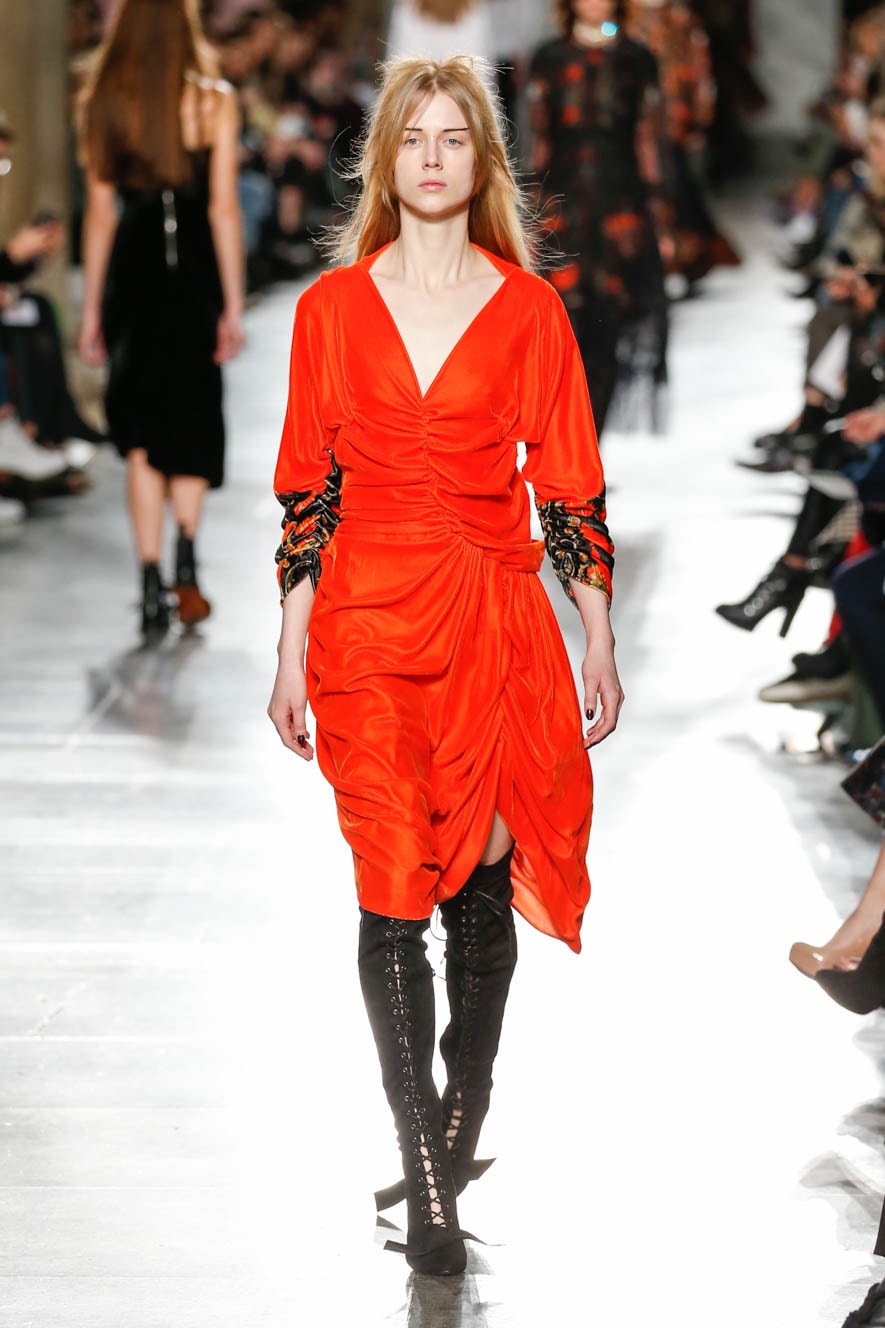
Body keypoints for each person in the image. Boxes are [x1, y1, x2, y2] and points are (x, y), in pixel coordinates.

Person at [267, 54, 623, 1276]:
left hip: (489, 622)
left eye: (452, 139)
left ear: (483, 163)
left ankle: (455, 1129)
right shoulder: (330, 310)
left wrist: (597, 632)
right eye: (412, 138)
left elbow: (569, 485)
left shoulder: (529, 311)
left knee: (477, 886)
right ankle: (429, 1182)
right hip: (366, 627)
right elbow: (308, 490)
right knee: (388, 886)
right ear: (385, 159)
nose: (430, 158)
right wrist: (288, 646)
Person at [78, 0, 244, 638]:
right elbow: (223, 209)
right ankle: (186, 558)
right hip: (194, 275)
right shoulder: (214, 101)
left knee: (144, 433)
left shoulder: (105, 101)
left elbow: (101, 214)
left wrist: (92, 309)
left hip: (134, 275)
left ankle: (149, 580)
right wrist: (232, 303)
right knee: (192, 419)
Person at [526, 0, 671, 433]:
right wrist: (529, 214)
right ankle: (566, 442)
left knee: (610, 321)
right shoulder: (548, 57)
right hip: (562, 203)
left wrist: (660, 215)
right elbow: (537, 138)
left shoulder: (637, 59)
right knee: (564, 321)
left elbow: (648, 138)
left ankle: (592, 446)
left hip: (620, 206)